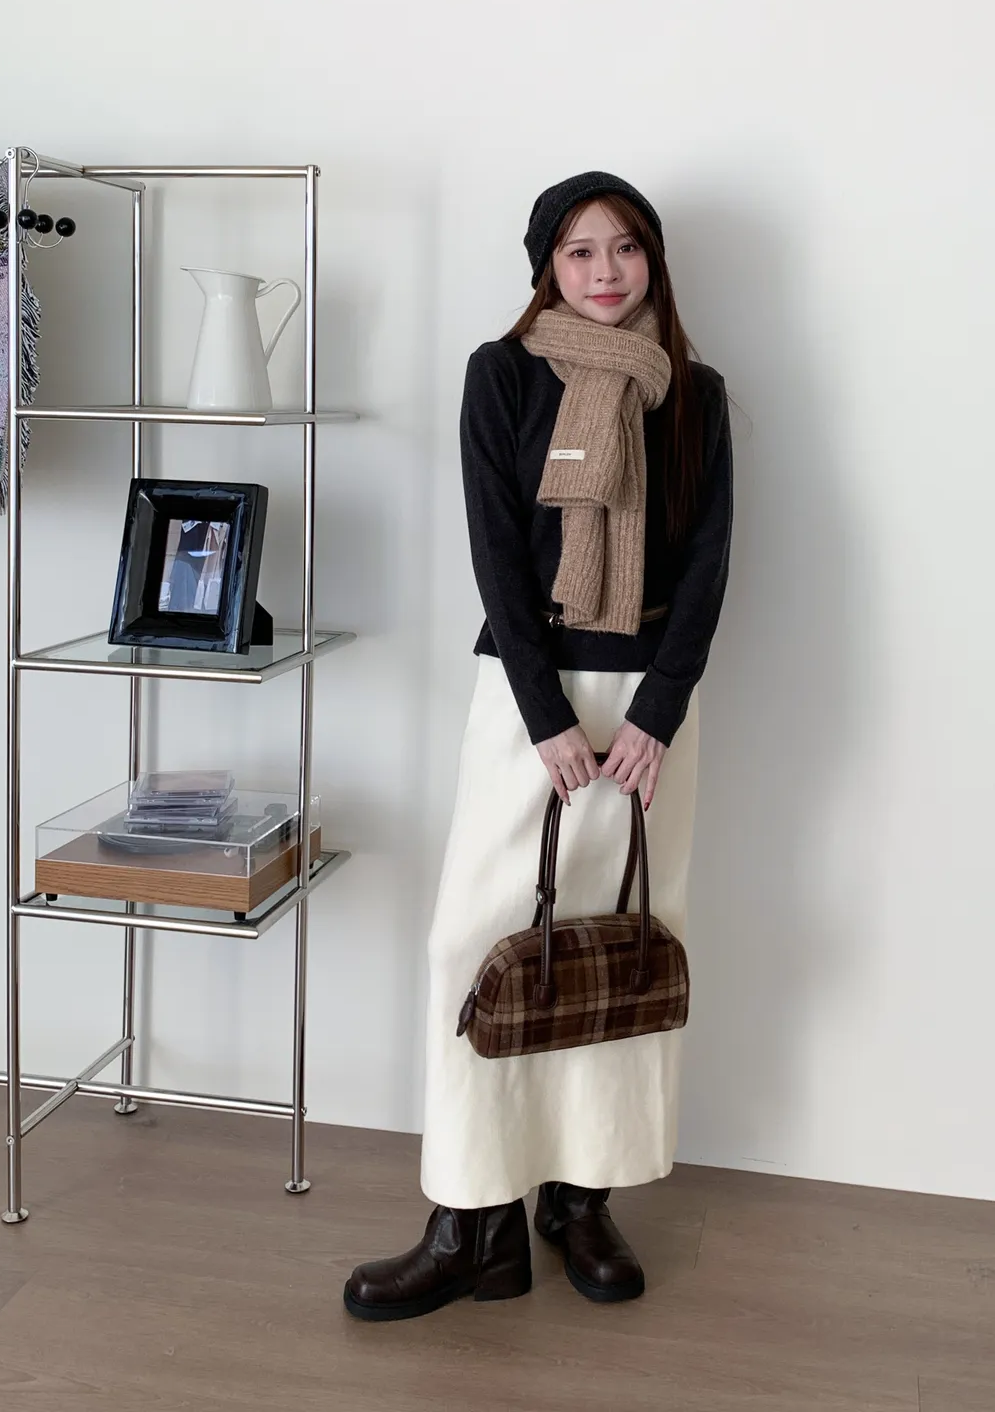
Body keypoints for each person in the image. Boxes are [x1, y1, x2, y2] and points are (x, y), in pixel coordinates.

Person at [345, 170, 734, 1321]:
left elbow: (708, 565)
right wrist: (547, 714)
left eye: (626, 247)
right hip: (531, 699)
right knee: (474, 942)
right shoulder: (502, 374)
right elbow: (497, 554)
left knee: (614, 948)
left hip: (653, 711)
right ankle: (472, 1225)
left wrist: (658, 712)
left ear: (654, 260)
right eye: (579, 251)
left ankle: (579, 1198)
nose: (606, 270)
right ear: (545, 269)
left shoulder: (696, 394)